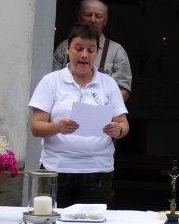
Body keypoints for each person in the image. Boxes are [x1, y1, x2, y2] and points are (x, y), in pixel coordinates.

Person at [29, 24, 130, 208]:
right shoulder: (51, 81)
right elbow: (36, 127)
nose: (84, 55)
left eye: (91, 50)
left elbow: (123, 124)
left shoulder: (108, 84)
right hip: (57, 169)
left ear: (97, 53)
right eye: (78, 48)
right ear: (68, 49)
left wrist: (118, 130)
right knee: (54, 221)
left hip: (98, 171)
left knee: (93, 223)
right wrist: (57, 127)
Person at [52, 0, 132, 101]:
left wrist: (100, 105)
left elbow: (123, 89)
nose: (93, 20)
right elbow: (53, 81)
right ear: (79, 17)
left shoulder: (116, 51)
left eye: (98, 16)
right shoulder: (64, 47)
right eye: (88, 15)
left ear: (105, 21)